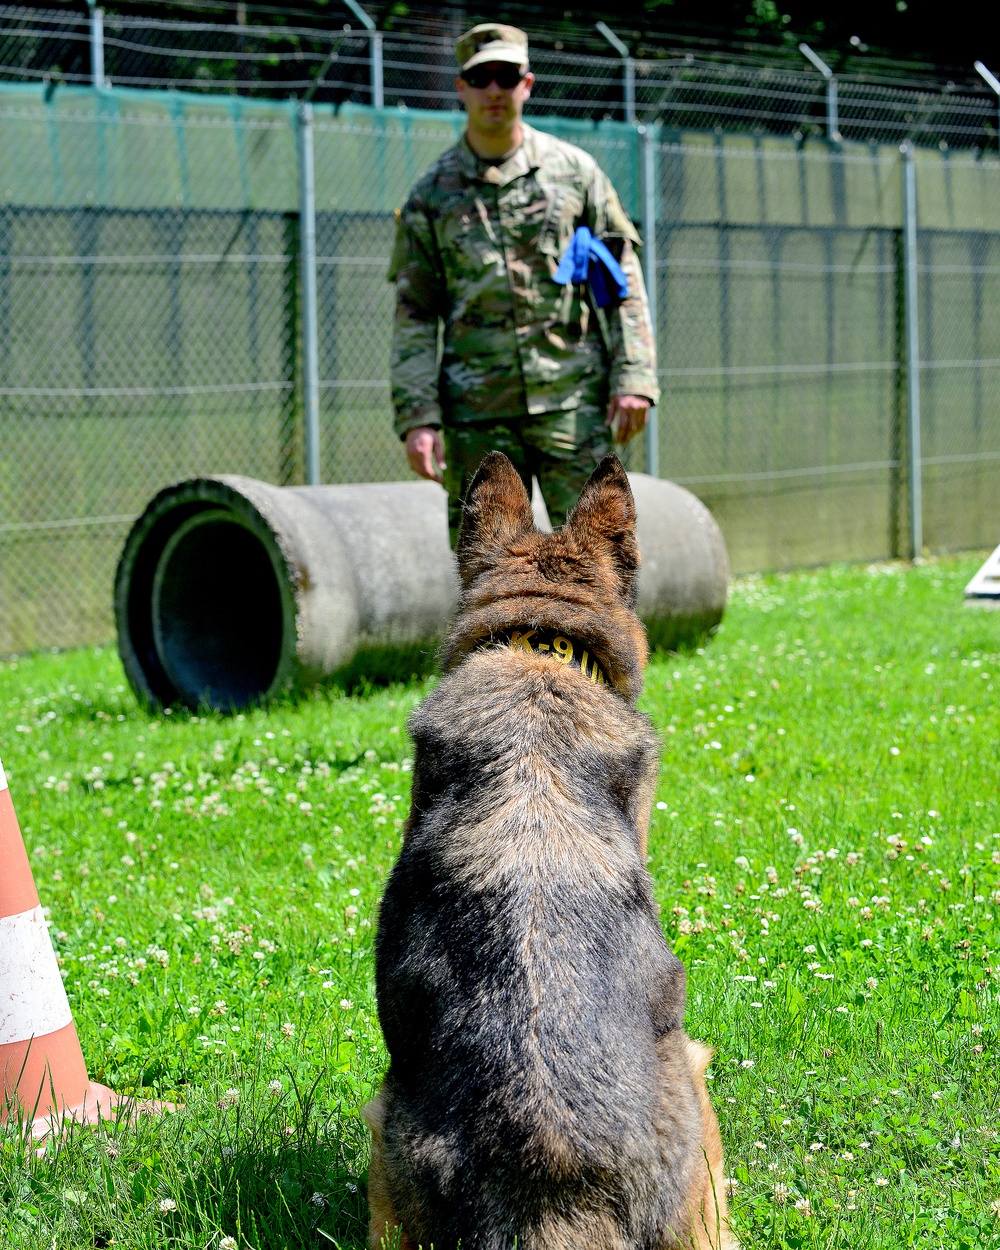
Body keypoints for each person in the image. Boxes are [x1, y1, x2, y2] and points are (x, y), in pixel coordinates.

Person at [388, 22, 659, 545]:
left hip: (571, 404)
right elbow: (415, 314)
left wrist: (635, 378)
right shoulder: (431, 195)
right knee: (489, 574)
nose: (494, 90)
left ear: (527, 85)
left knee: (596, 562)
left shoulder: (575, 174)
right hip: (477, 416)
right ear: (461, 88)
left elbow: (621, 278)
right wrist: (418, 416)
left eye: (506, 77)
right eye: (481, 77)